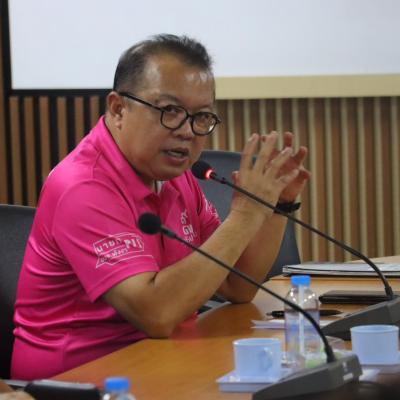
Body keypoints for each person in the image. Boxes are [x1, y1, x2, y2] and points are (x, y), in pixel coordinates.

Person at [11, 34, 310, 379]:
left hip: (163, 360)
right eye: (170, 111)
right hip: (79, 379)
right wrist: (246, 213)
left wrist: (276, 205)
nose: (187, 131)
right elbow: (156, 314)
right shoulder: (82, 186)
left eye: (201, 117)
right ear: (118, 109)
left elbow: (237, 285)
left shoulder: (174, 176)